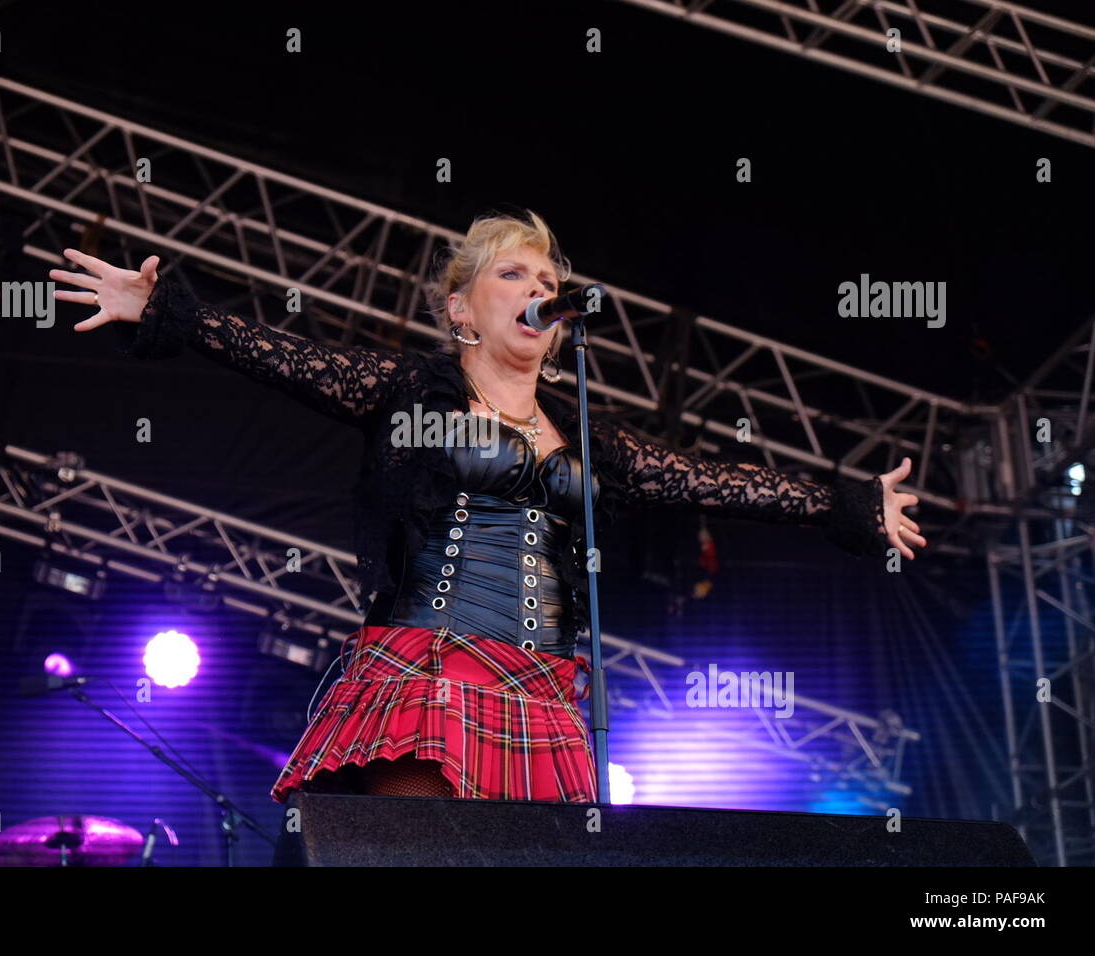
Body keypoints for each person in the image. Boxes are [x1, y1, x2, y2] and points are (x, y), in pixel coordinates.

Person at [50, 209, 926, 803]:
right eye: (513, 272)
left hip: (545, 694)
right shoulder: (413, 392)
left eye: (548, 276)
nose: (537, 287)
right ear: (463, 306)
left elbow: (709, 480)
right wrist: (163, 309)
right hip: (430, 674)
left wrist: (843, 505)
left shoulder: (589, 435)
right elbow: (283, 355)